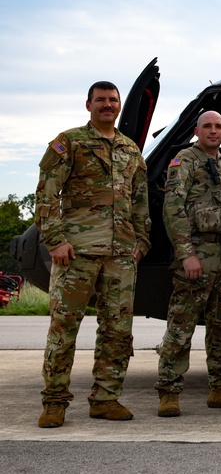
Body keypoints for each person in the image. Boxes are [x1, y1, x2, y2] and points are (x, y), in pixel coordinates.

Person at [35, 81, 151, 428]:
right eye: (100, 100)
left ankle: (106, 398)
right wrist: (55, 240)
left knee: (117, 330)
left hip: (120, 255)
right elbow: (45, 195)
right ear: (88, 105)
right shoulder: (68, 142)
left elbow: (141, 203)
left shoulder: (131, 151)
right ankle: (54, 401)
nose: (107, 105)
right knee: (64, 327)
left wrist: (140, 243)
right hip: (76, 255)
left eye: (112, 100)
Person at [154, 111, 221, 417]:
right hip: (196, 253)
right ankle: (169, 391)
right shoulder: (185, 161)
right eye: (207, 126)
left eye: (219, 127)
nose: (213, 131)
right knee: (182, 326)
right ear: (197, 131)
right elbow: (173, 208)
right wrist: (186, 253)